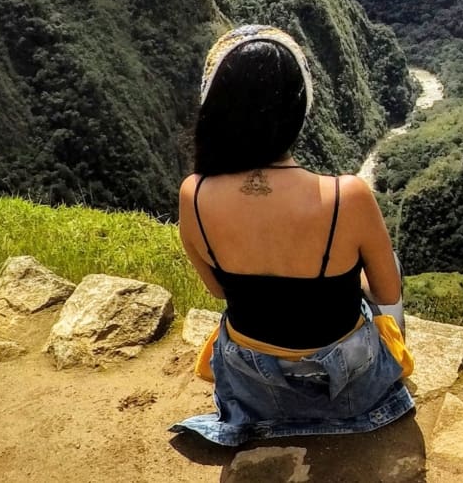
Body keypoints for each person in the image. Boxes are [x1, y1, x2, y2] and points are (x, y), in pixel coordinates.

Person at [170, 24, 415, 446]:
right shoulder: (346, 197)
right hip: (348, 390)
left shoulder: (194, 194)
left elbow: (216, 290)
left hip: (253, 388)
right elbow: (387, 291)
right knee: (386, 266)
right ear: (300, 109)